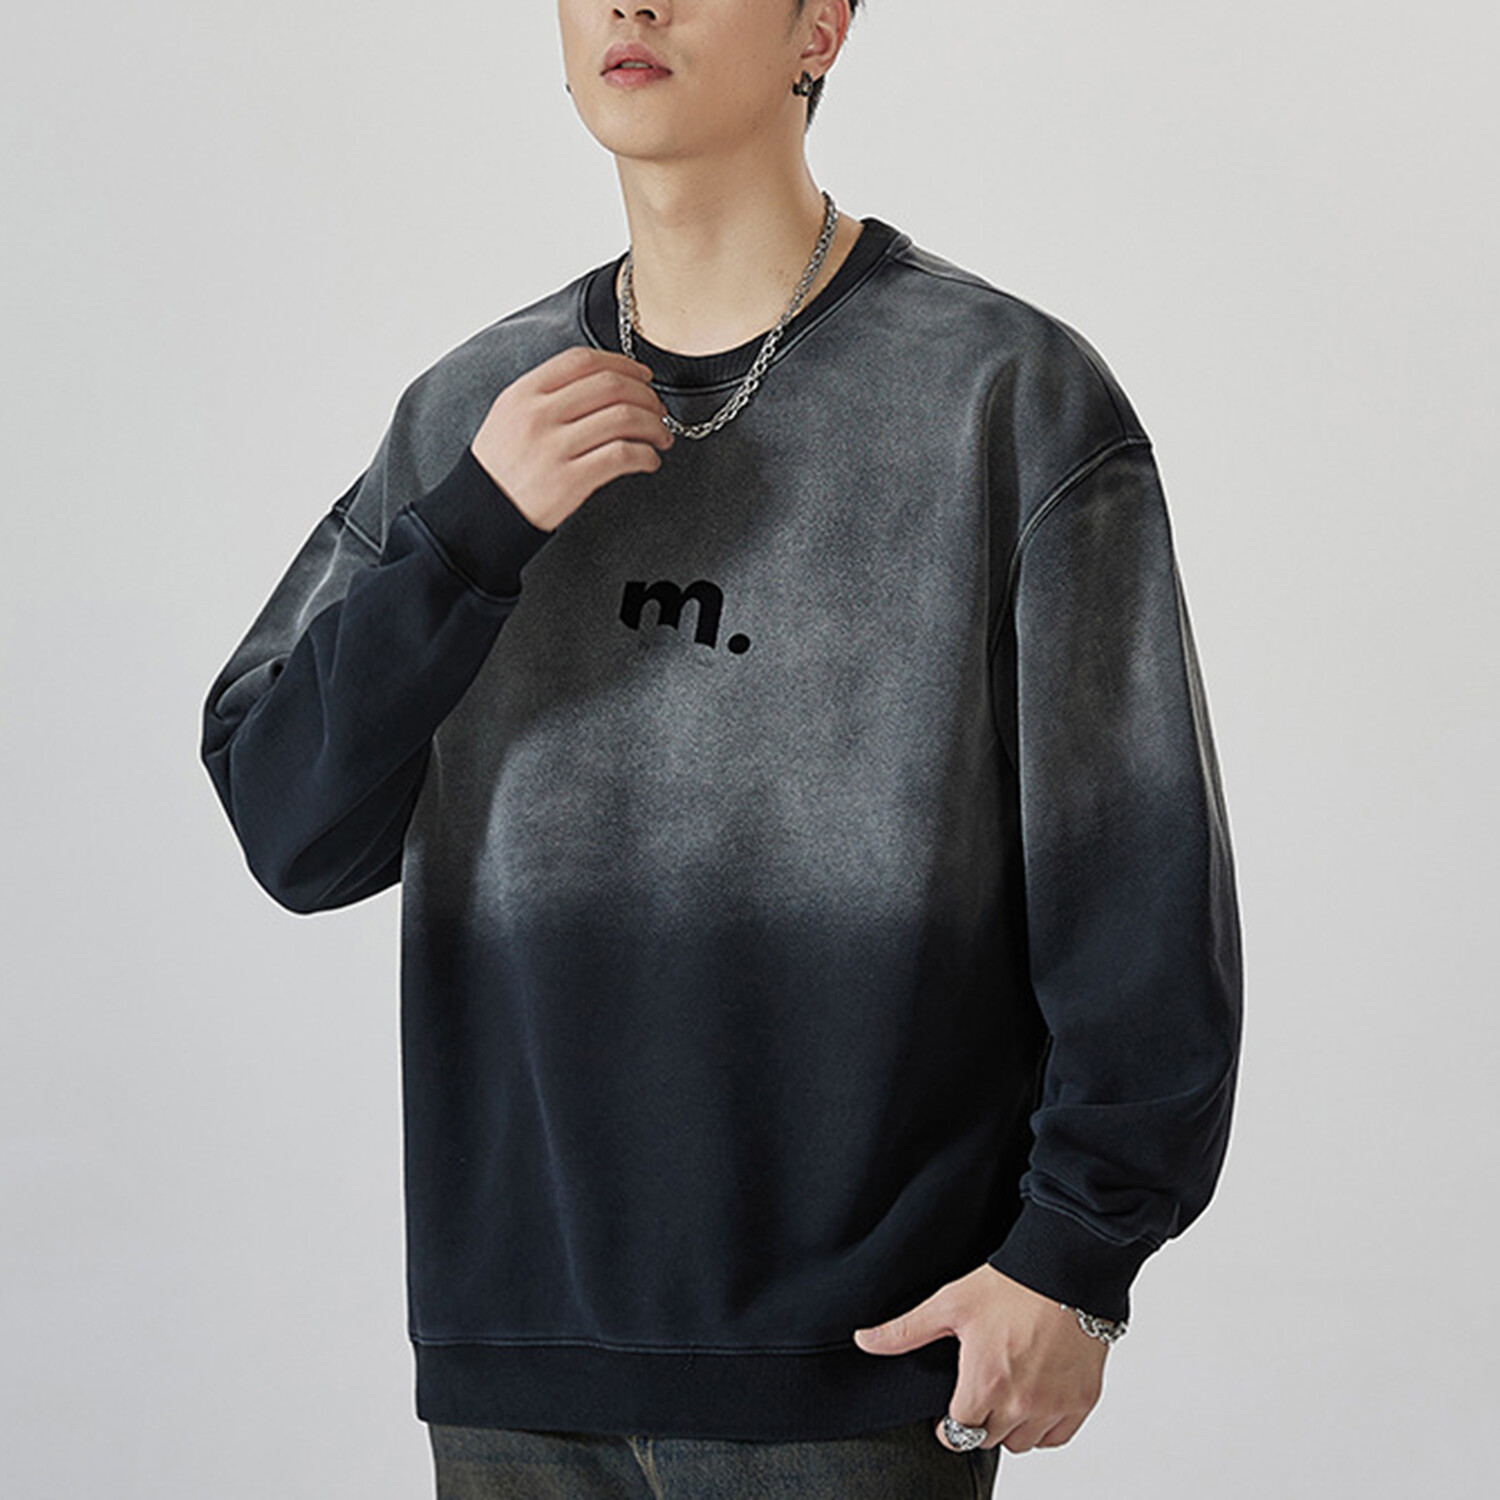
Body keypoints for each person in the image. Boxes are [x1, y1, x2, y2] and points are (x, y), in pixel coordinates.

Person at [199, 1, 1243, 1494]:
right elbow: (291, 825)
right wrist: (466, 541)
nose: (633, 4)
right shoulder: (472, 419)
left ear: (821, 24)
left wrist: (1075, 1259)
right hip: (516, 1368)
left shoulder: (1002, 396)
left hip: (857, 1372)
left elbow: (1136, 867)